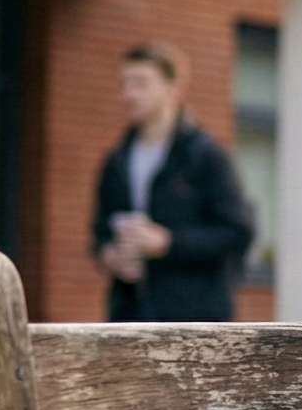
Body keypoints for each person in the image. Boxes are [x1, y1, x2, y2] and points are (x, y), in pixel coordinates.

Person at [91, 42, 254, 322]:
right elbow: (99, 232)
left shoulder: (205, 155)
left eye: (140, 84)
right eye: (124, 84)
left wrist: (168, 243)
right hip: (129, 317)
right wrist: (111, 256)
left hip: (195, 321)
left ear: (172, 88)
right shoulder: (116, 160)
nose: (128, 94)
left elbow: (238, 232)